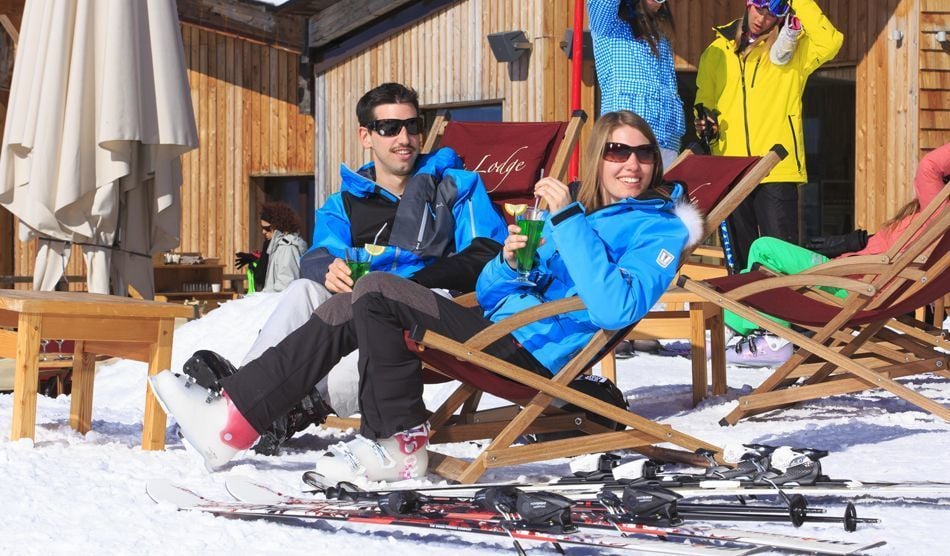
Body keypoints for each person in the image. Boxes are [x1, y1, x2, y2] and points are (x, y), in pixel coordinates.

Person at [149, 110, 704, 480]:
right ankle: (234, 421)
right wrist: (510, 265)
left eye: (642, 154)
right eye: (615, 151)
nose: (630, 164)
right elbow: (490, 291)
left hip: (536, 356)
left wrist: (568, 219)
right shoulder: (579, 218)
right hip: (499, 331)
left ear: (655, 161)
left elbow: (615, 308)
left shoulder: (660, 229)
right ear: (598, 157)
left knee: (378, 291)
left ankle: (395, 441)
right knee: (355, 297)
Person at [182, 82, 508, 454]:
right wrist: (328, 270)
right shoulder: (348, 200)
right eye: (389, 128)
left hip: (429, 306)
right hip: (359, 307)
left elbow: (486, 251)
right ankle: (242, 403)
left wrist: (404, 286)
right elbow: (320, 252)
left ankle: (257, 406)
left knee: (377, 315)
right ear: (365, 136)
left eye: (412, 126)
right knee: (305, 289)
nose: (404, 138)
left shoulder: (456, 186)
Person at [722, 142, 950, 364]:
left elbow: (930, 165)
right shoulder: (931, 219)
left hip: (851, 285)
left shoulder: (940, 214)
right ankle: (733, 328)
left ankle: (771, 338)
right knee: (756, 268)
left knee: (764, 249)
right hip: (855, 279)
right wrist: (853, 243)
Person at [695, 0, 843, 272]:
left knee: (781, 260)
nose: (762, 15)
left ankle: (784, 318)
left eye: (774, 8)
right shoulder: (717, 50)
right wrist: (704, 119)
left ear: (783, 15)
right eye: (760, 1)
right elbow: (704, 100)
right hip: (732, 170)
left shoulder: (794, 51)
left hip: (775, 170)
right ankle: (741, 318)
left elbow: (831, 41)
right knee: (740, 258)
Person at [588, 0, 684, 169]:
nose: (663, 1)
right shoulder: (610, 26)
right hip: (627, 143)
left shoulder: (658, 36)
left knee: (663, 201)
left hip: (665, 144)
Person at [235, 202, 307, 293]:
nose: (263, 232)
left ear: (279, 226)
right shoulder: (276, 247)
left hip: (278, 303)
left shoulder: (287, 249)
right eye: (262, 227)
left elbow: (285, 286)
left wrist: (264, 300)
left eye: (267, 228)